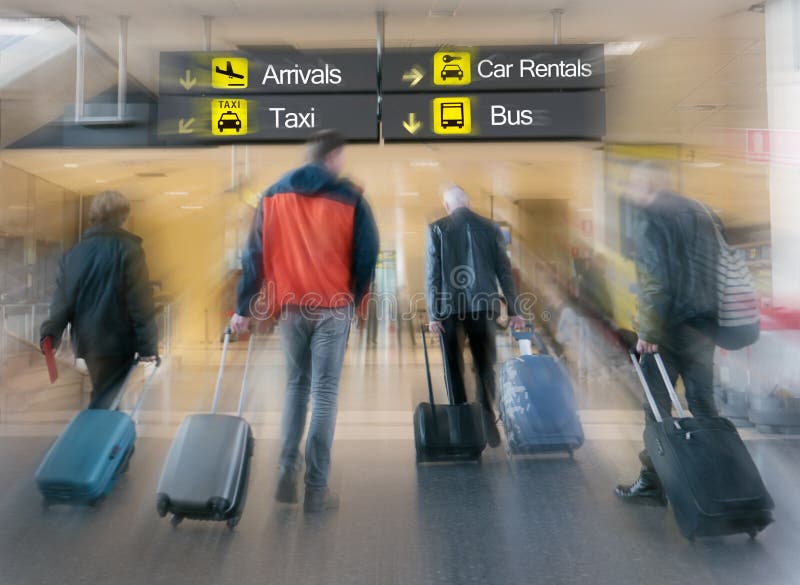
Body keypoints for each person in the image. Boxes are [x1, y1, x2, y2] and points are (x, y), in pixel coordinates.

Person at [231, 130, 379, 513]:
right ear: (331, 157)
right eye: (340, 156)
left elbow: (253, 256)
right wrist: (356, 296)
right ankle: (316, 487)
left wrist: (243, 308)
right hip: (332, 306)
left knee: (296, 387)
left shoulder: (272, 195)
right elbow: (367, 253)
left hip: (291, 308)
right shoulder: (351, 196)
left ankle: (286, 469)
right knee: (325, 394)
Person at [615, 161, 720, 504]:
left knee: (657, 408)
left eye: (633, 186)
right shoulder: (704, 214)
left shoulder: (650, 220)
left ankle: (653, 480)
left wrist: (648, 331)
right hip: (704, 327)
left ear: (647, 186)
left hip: (668, 330)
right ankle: (718, 477)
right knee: (704, 404)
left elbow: (656, 282)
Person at [425, 185, 526, 447]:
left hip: (448, 308)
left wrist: (434, 314)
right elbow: (505, 271)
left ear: (448, 206)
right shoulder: (490, 228)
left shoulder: (436, 228)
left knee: (452, 366)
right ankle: (486, 417)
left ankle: (462, 429)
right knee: (484, 363)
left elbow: (432, 275)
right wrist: (515, 310)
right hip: (484, 306)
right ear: (468, 203)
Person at [40, 191, 158, 409]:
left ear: (94, 216)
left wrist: (50, 334)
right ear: (124, 217)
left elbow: (62, 301)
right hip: (118, 341)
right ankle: (96, 440)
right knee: (106, 400)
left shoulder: (74, 253)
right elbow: (140, 301)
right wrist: (148, 346)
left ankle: (106, 438)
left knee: (106, 394)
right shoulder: (129, 250)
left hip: (87, 341)